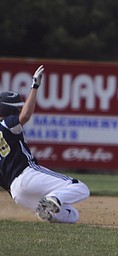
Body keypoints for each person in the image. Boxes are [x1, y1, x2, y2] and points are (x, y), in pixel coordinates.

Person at [0, 65, 90, 223]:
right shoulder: (7, 124)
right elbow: (25, 116)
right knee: (79, 187)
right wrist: (34, 86)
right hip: (27, 176)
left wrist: (19, 194)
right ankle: (53, 198)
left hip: (16, 194)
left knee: (72, 215)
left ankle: (46, 211)